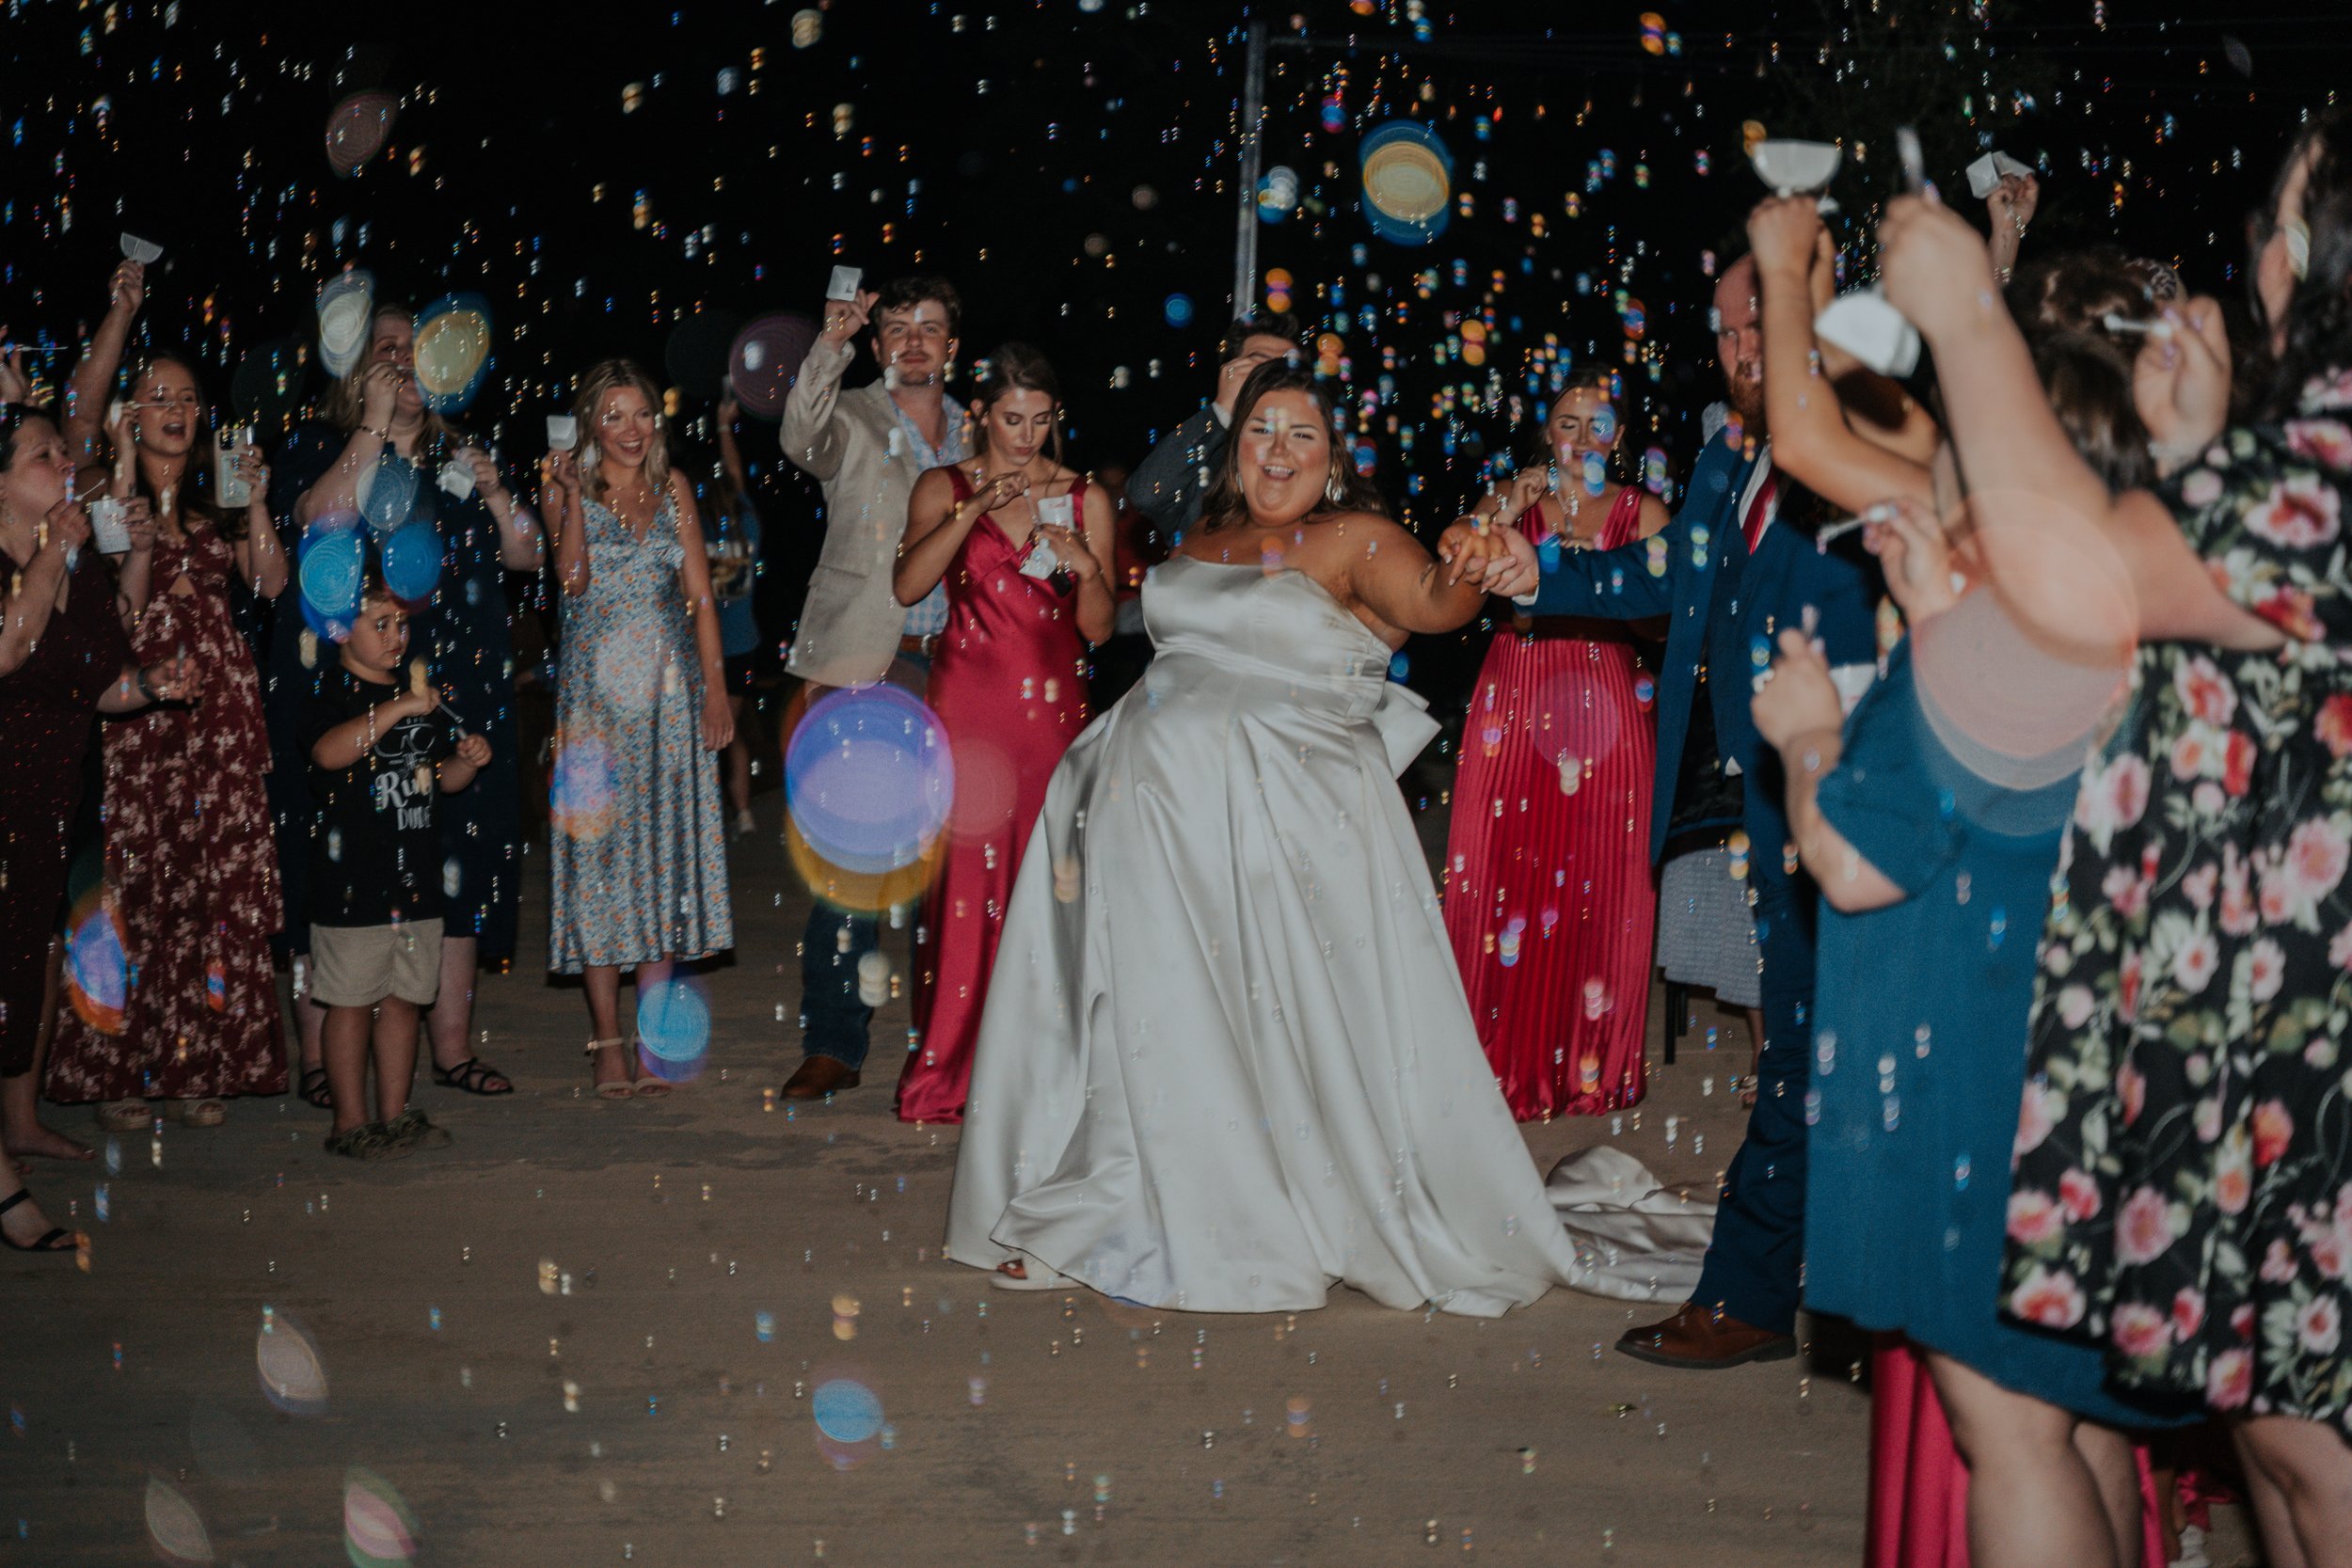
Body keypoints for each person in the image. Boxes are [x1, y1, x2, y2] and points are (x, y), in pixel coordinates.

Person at [1881, 117, 2352, 1567]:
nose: (2261, 256)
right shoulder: (2292, 442)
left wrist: (1968, 312)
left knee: (2321, 1456)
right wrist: (2201, 447)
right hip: (2247, 1015)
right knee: (2276, 1438)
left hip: (2317, 1024)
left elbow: (2081, 575)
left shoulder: (2336, 450)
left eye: (2289, 226)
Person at [945, 360, 1592, 1313]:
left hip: (1276, 833)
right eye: (1260, 429)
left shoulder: (1353, 537)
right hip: (1143, 832)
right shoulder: (1203, 534)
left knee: (1251, 1026)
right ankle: (1112, 1200)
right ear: (1233, 444)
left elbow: (1435, 602)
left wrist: (1473, 554)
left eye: (1301, 434)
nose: (1277, 451)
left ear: (1333, 457)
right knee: (1142, 1021)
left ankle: (1245, 1215)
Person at [1487, 253, 1885, 1367]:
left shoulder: (1866, 449)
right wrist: (1536, 573)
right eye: (1725, 331)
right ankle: (1802, 1288)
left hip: (1853, 799)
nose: (1740, 349)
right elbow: (1660, 571)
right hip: (1762, 799)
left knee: (1821, 1049)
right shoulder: (1726, 454)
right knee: (1808, 1047)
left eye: (1761, 324)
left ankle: (1785, 1290)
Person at [272, 303, 540, 1108]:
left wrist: (498, 492)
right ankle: (321, 1060)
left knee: (459, 855)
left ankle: (451, 1050)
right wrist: (374, 425)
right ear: (355, 369)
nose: (403, 360)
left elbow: (527, 556)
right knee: (334, 863)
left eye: (415, 349)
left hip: (455, 687)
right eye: (384, 349)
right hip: (349, 688)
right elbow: (320, 518)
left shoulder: (464, 454)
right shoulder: (323, 444)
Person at [47, 349, 288, 1131]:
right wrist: (120, 460)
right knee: (136, 881)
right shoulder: (105, 492)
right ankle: (121, 1067)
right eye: (158, 397)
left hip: (217, 713)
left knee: (210, 889)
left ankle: (195, 1063)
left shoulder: (219, 499)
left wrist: (257, 503)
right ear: (133, 413)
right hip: (140, 707)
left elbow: (272, 584)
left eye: (187, 397)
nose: (176, 410)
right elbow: (116, 585)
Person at [888, 343, 1115, 1123]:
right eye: (1012, 419)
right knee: (963, 889)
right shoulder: (942, 486)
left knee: (1049, 881)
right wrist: (973, 509)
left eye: (1041, 420)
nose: (1027, 435)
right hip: (968, 711)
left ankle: (1043, 1073)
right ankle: (949, 1071)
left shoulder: (1083, 496)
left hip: (1052, 715)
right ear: (982, 414)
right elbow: (908, 584)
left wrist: (1088, 568)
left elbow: (1099, 630)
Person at [1440, 366, 1669, 1120]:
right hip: (1515, 697)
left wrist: (1589, 574)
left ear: (1620, 435)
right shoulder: (1513, 499)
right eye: (1566, 423)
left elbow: (1662, 624)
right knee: (1505, 877)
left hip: (1607, 706)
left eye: (1597, 424)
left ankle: (1590, 1066)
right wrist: (1506, 507)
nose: (1580, 439)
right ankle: (1493, 1064)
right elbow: (1457, 576)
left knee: (1601, 887)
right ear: (1548, 431)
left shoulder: (1643, 511)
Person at [0, 401, 194, 1248]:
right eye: (42, 455)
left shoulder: (74, 562)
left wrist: (153, 684)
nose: (64, 465)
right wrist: (51, 551)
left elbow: (100, 678)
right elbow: (8, 648)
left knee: (19, 972)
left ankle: (17, 1126)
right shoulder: (43, 555)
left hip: (46, 805)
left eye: (61, 450)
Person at [776, 275, 968, 1100]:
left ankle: (948, 1044)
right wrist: (830, 344)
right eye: (897, 328)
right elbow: (799, 437)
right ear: (878, 342)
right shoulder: (849, 416)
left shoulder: (984, 428)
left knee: (952, 860)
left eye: (930, 327)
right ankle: (833, 1042)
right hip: (867, 661)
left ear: (953, 344)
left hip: (963, 661)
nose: (914, 341)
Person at [541, 358, 734, 1100]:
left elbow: (701, 598)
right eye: (614, 415)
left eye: (643, 414)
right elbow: (571, 581)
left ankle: (655, 1036)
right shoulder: (565, 488)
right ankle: (606, 1040)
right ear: (591, 424)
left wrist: (715, 691)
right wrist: (569, 497)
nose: (632, 429)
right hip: (594, 710)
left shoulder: (675, 487)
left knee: (661, 864)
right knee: (599, 867)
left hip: (668, 704)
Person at [301, 573, 490, 1158]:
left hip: (416, 883)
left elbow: (437, 781)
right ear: (340, 631)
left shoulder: (420, 697)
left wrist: (466, 763)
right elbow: (327, 752)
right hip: (352, 885)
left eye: (402, 624)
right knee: (351, 1003)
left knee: (406, 1001)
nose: (396, 636)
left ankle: (395, 1113)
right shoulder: (331, 691)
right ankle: (349, 1123)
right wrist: (399, 706)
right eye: (380, 624)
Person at [1124, 314, 1303, 542]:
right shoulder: (1208, 454)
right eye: (1259, 365)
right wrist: (1222, 409)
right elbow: (1146, 496)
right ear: (1231, 373)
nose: (1274, 378)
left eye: (1287, 368)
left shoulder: (1314, 453)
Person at [708, 396, 765, 839]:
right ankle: (742, 812)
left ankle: (711, 816)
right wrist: (725, 429)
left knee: (710, 738)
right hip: (745, 645)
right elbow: (736, 475)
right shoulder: (750, 526)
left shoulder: (697, 531)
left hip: (708, 648)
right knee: (730, 732)